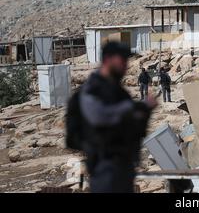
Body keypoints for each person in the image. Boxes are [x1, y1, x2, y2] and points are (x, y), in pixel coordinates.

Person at [66, 42, 157, 193]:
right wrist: (136, 107)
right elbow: (99, 117)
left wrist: (145, 112)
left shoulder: (120, 93)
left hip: (124, 167)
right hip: (105, 168)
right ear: (108, 59)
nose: (125, 65)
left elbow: (136, 129)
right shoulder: (92, 89)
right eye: (122, 60)